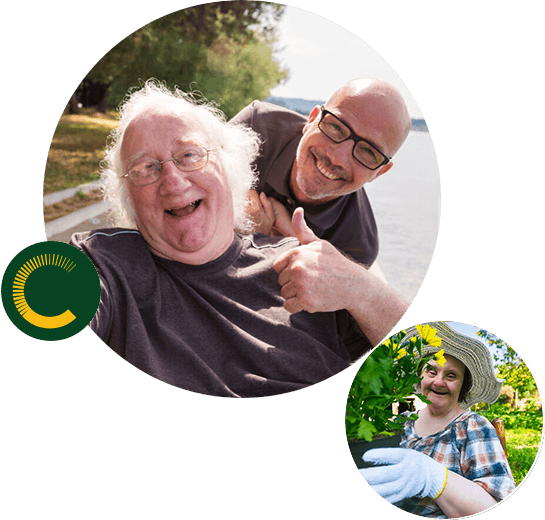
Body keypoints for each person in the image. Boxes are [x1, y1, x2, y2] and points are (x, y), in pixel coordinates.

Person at [70, 80, 408, 398]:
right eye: (146, 167)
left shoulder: (342, 252)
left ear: (381, 171)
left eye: (188, 155)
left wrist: (361, 287)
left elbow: (421, 364)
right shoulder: (105, 264)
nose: (173, 181)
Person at [230, 78, 411, 267]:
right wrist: (237, 217)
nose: (337, 158)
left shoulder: (355, 247)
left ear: (379, 172)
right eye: (336, 127)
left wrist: (277, 244)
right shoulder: (256, 127)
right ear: (312, 119)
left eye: (367, 152)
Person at [359, 322, 516, 518]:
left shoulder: (472, 427)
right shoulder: (402, 422)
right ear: (420, 376)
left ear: (463, 385)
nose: (438, 381)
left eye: (451, 376)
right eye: (431, 371)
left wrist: (434, 479)